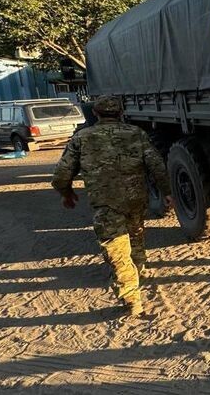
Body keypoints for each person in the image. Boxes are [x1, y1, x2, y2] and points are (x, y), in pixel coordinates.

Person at [51, 95, 173, 317]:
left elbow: (61, 174)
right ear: (121, 113)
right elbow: (156, 165)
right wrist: (167, 192)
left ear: (95, 113)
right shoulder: (136, 134)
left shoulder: (82, 138)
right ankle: (138, 273)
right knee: (135, 237)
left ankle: (132, 300)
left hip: (106, 204)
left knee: (117, 251)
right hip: (136, 200)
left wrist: (66, 193)